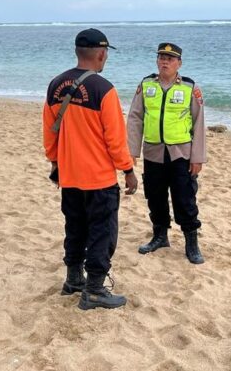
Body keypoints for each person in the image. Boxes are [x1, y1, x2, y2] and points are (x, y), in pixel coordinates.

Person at [42, 28, 138, 310]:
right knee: (101, 232)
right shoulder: (103, 90)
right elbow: (115, 139)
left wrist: (56, 163)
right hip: (98, 179)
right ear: (101, 54)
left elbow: (50, 133)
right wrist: (128, 170)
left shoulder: (55, 85)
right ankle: (94, 289)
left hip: (69, 175)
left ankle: (73, 279)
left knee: (75, 227)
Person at [127, 43, 207, 264]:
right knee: (155, 197)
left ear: (179, 63)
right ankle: (160, 236)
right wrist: (132, 150)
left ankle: (191, 243)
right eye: (161, 57)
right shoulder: (146, 85)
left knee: (185, 199)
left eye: (170, 59)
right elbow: (135, 118)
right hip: (153, 153)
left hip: (181, 155)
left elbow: (199, 123)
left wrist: (198, 157)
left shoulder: (190, 88)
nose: (165, 61)